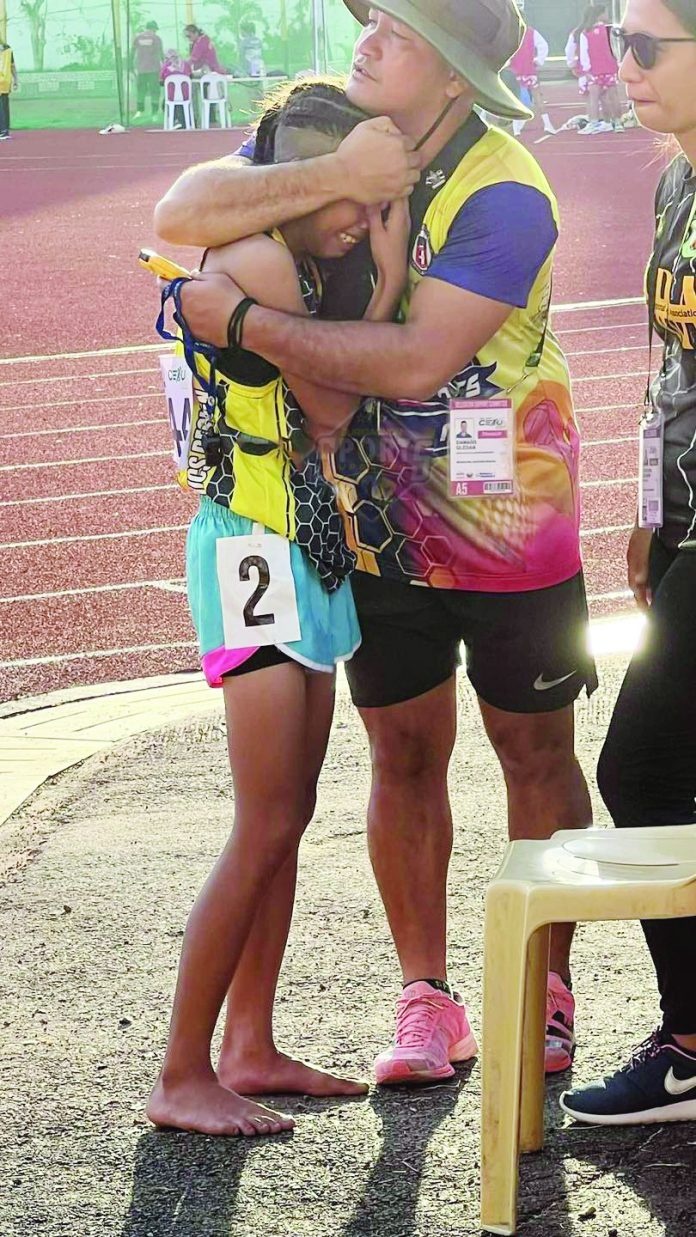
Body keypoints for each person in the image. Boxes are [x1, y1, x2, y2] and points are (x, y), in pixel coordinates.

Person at [157, 0, 597, 1086]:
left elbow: (412, 360)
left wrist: (244, 325)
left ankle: (543, 990)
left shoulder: (505, 190)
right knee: (401, 751)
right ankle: (425, 997)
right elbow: (181, 207)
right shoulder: (341, 136)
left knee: (534, 753)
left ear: (452, 79)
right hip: (375, 517)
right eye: (375, 21)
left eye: (400, 33)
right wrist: (331, 174)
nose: (369, 40)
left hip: (507, 514)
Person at [146, 80, 410, 1136]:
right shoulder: (258, 259)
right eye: (352, 198)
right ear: (299, 181)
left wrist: (365, 274)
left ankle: (248, 1044)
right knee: (262, 819)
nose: (362, 217)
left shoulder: (290, 261)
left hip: (299, 545)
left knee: (287, 814)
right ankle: (180, 1071)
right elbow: (336, 404)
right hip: (251, 549)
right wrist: (387, 288)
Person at [562, 0, 696, 1126]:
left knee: (640, 769)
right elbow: (671, 375)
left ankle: (693, 1041)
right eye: (619, 45)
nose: (625, 66)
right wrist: (649, 514)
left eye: (648, 46)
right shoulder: (675, 183)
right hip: (688, 526)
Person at [509, 1, 556, 136]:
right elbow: (543, 46)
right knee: (537, 97)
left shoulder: (509, 33)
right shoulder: (531, 32)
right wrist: (538, 61)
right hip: (529, 71)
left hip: (514, 72)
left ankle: (516, 128)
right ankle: (547, 124)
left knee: (515, 99)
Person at [578, 3, 625, 132]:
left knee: (594, 98)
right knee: (613, 96)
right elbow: (617, 47)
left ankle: (594, 123)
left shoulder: (586, 33)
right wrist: (618, 62)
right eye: (605, 13)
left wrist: (586, 70)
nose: (607, 15)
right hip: (610, 68)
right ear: (600, 15)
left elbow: (584, 53)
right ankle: (618, 123)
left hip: (594, 71)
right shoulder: (610, 30)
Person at [131, 20, 163, 122]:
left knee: (141, 90)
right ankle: (154, 113)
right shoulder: (156, 38)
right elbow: (160, 53)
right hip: (154, 69)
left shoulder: (138, 38)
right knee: (155, 91)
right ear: (154, 28)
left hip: (141, 69)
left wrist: (131, 66)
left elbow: (132, 52)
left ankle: (139, 111)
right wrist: (164, 66)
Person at [0, 39, 17, 140]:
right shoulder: (8, 50)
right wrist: (15, 79)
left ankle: (2, 131)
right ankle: (5, 129)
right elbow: (13, 66)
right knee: (4, 105)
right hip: (6, 81)